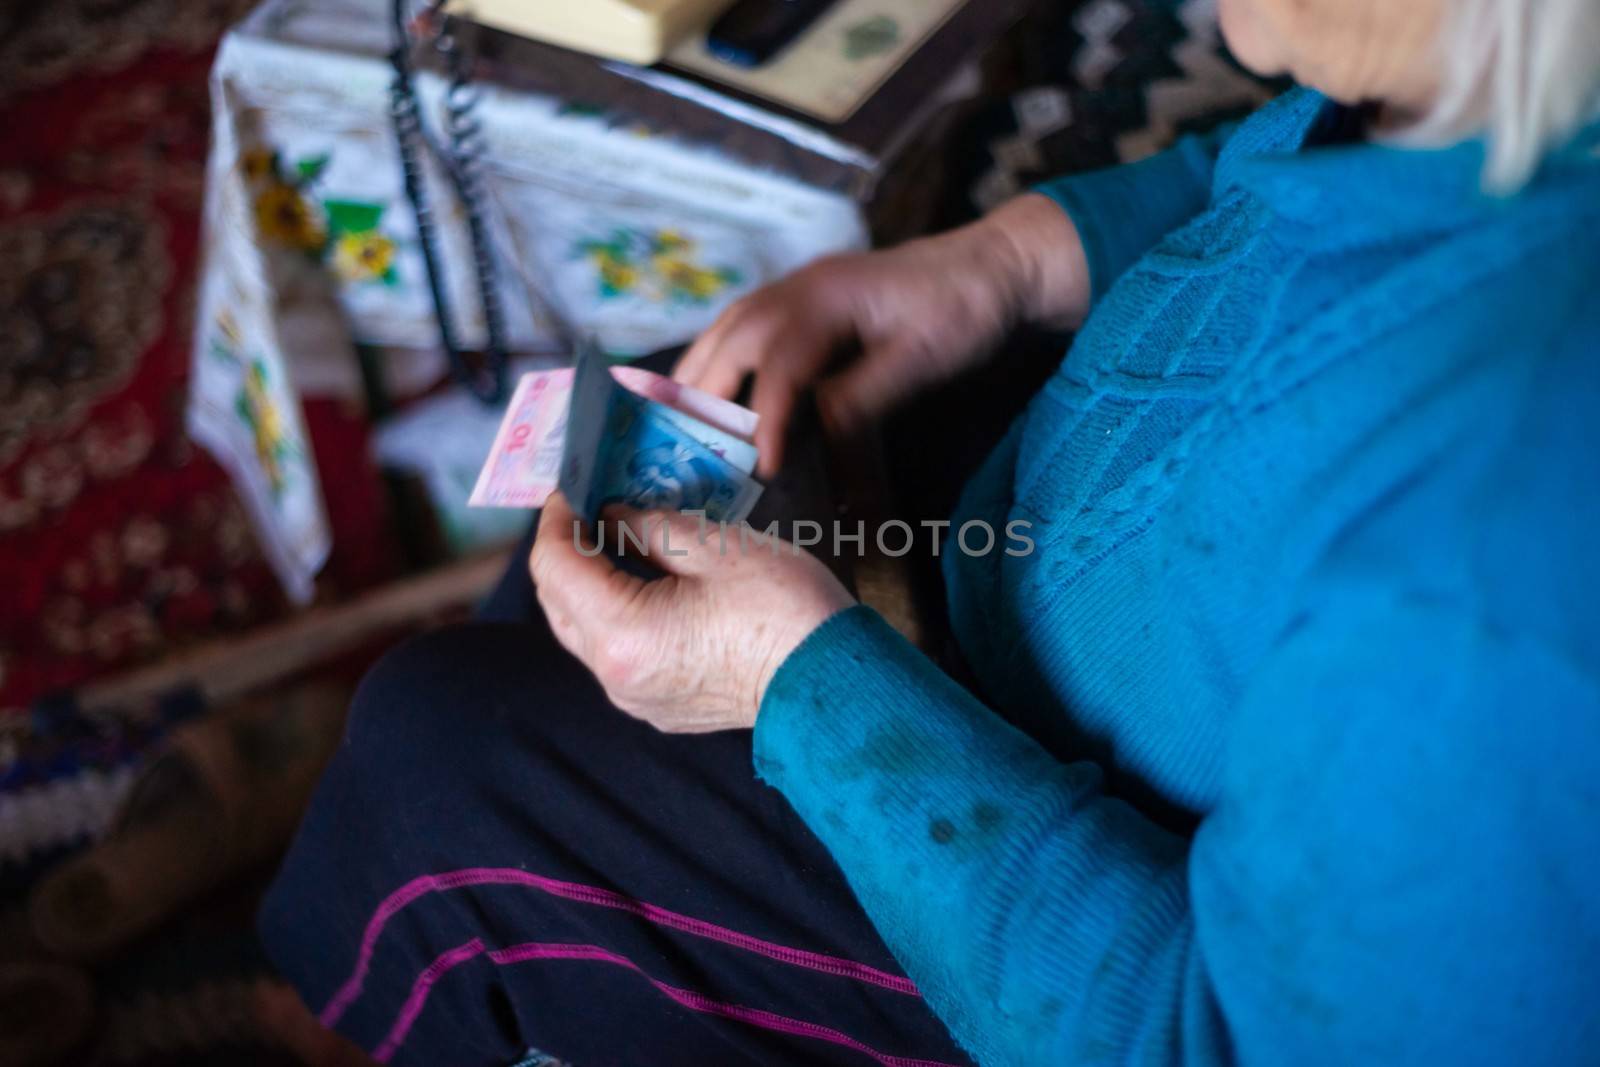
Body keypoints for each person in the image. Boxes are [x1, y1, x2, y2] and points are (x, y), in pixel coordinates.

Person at [260, 0, 1600, 1063]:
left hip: (1073, 935)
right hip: (1048, 578)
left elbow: (1209, 1037)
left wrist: (801, 684)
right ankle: (405, 856)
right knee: (701, 411)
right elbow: (1286, 173)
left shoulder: (1507, 582)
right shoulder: (1498, 93)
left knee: (446, 756)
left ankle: (392, 963)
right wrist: (1007, 262)